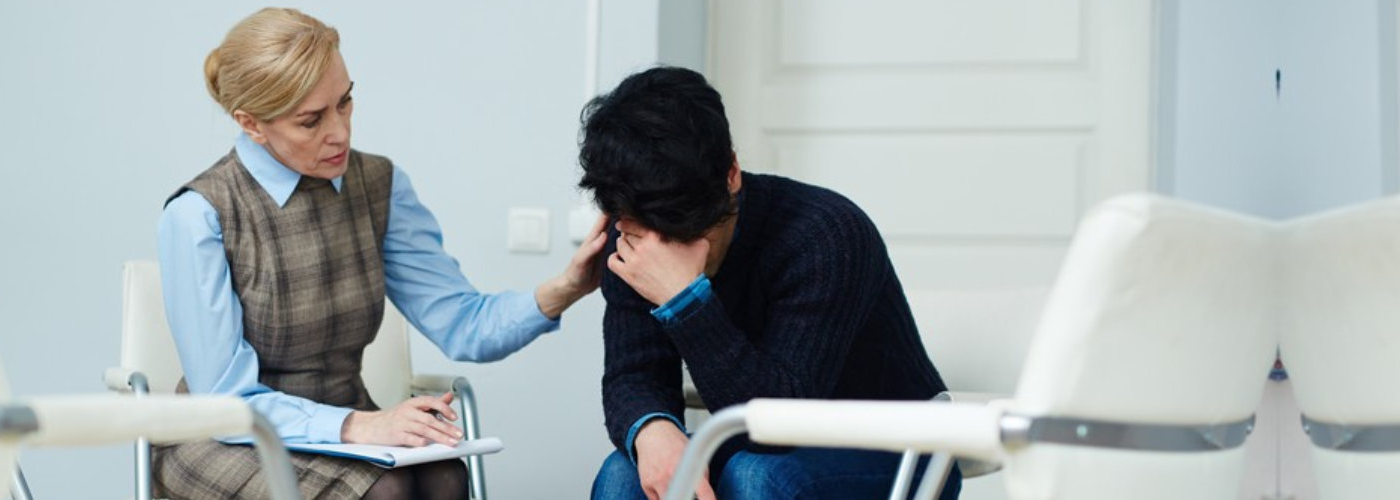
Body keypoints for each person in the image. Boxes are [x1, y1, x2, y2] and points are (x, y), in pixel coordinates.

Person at [155, 8, 608, 500]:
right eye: (311, 120)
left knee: (445, 476)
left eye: (345, 103)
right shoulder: (200, 213)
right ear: (252, 124)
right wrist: (357, 426)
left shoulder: (379, 186)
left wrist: (566, 287)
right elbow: (227, 402)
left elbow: (462, 323)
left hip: (351, 422)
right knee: (385, 491)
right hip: (230, 437)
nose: (340, 132)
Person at [581, 67, 962, 500]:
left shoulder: (827, 234)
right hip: (755, 448)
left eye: (684, 233)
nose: (661, 252)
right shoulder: (630, 236)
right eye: (640, 231)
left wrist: (684, 300)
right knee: (623, 473)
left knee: (756, 476)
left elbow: (778, 425)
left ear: (731, 176)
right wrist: (653, 429)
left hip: (900, 450)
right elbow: (632, 374)